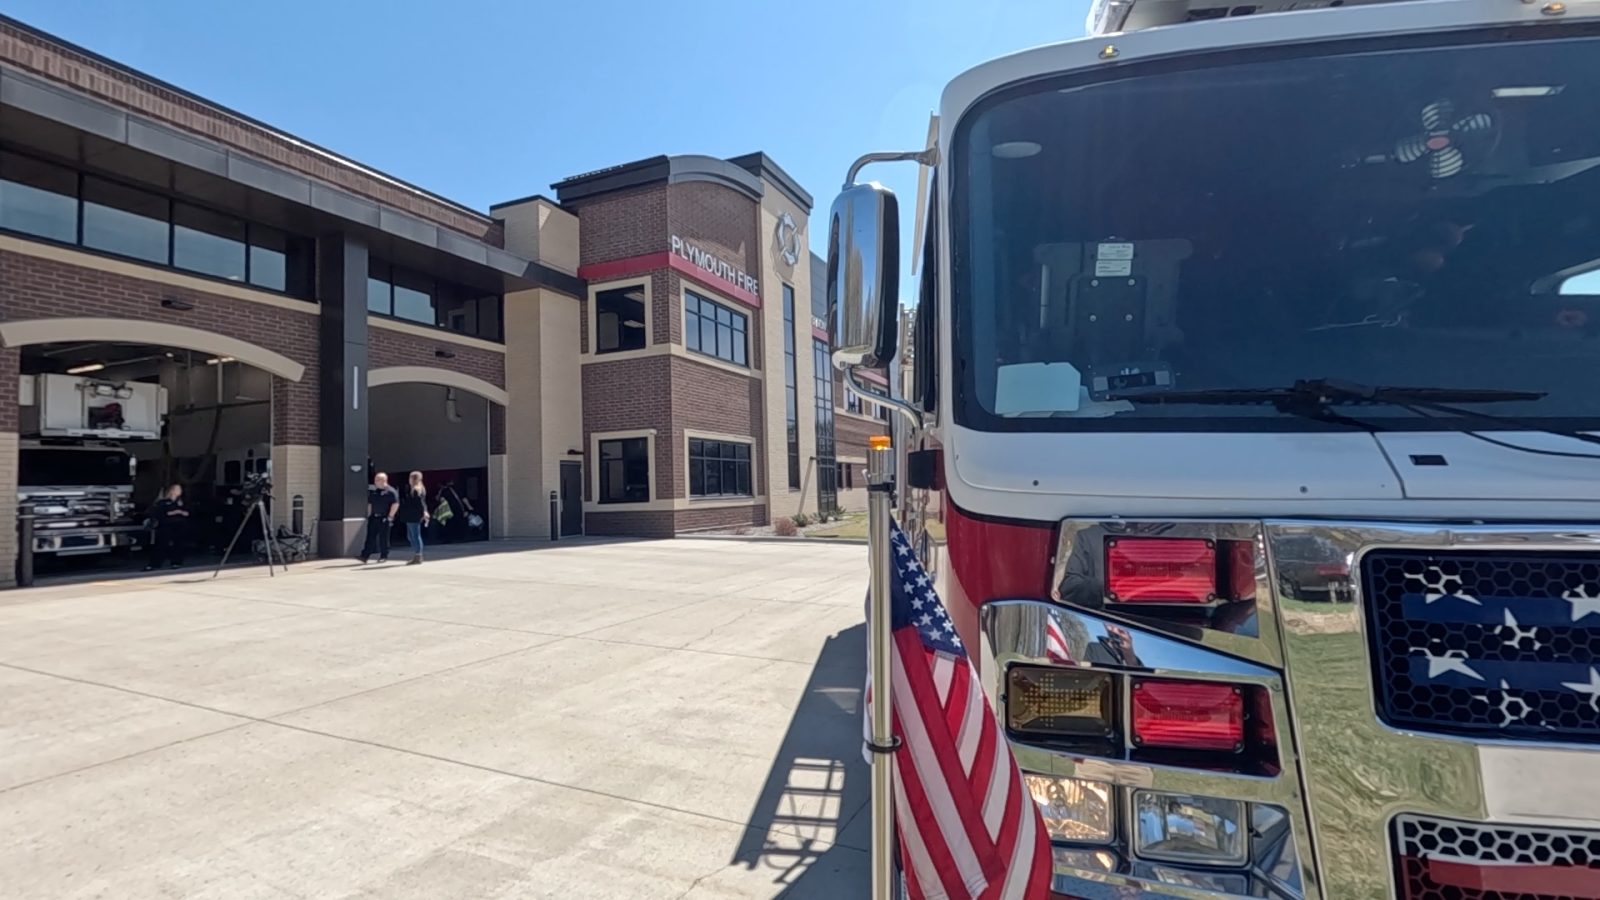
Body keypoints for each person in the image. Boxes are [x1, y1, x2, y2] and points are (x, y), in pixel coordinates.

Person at [144, 483, 190, 570]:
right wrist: (175, 512)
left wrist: (181, 512)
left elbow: (188, 512)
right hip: (166, 526)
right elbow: (160, 513)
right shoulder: (163, 502)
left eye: (180, 490)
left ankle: (176, 562)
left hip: (178, 525)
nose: (179, 491)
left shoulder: (182, 502)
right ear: (172, 491)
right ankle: (154, 564)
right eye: (177, 489)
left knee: (178, 544)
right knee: (161, 544)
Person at [359, 472, 399, 564]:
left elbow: (395, 504)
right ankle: (365, 555)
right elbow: (370, 504)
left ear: (384, 480)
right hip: (374, 517)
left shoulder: (391, 492)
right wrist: (368, 515)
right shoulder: (375, 491)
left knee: (383, 538)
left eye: (377, 480)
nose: (375, 481)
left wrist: (390, 516)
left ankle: (383, 555)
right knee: (370, 537)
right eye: (375, 479)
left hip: (384, 517)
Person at [397, 471, 431, 565]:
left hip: (414, 515)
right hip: (411, 515)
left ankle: (418, 555)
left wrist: (424, 512)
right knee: (411, 535)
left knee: (415, 535)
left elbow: (420, 503)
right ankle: (417, 553)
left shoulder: (416, 490)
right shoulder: (418, 489)